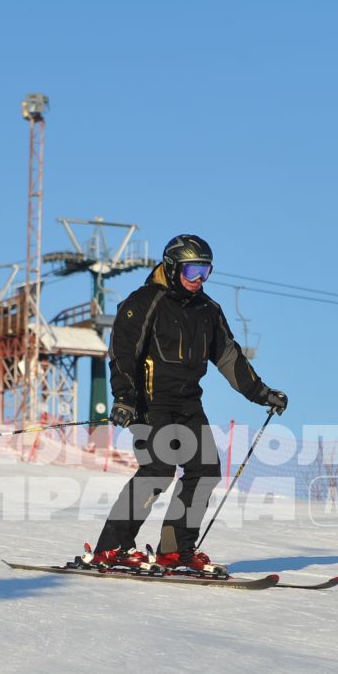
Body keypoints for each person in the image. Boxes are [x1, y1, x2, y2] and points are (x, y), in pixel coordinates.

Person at [79, 234, 286, 576]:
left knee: (205, 471)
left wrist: (262, 393)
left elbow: (230, 359)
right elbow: (122, 353)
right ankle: (111, 547)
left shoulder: (208, 311)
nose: (199, 280)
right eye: (192, 271)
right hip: (149, 404)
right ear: (173, 268)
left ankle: (175, 551)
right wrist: (125, 398)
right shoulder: (146, 301)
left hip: (188, 404)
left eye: (205, 272)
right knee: (158, 469)